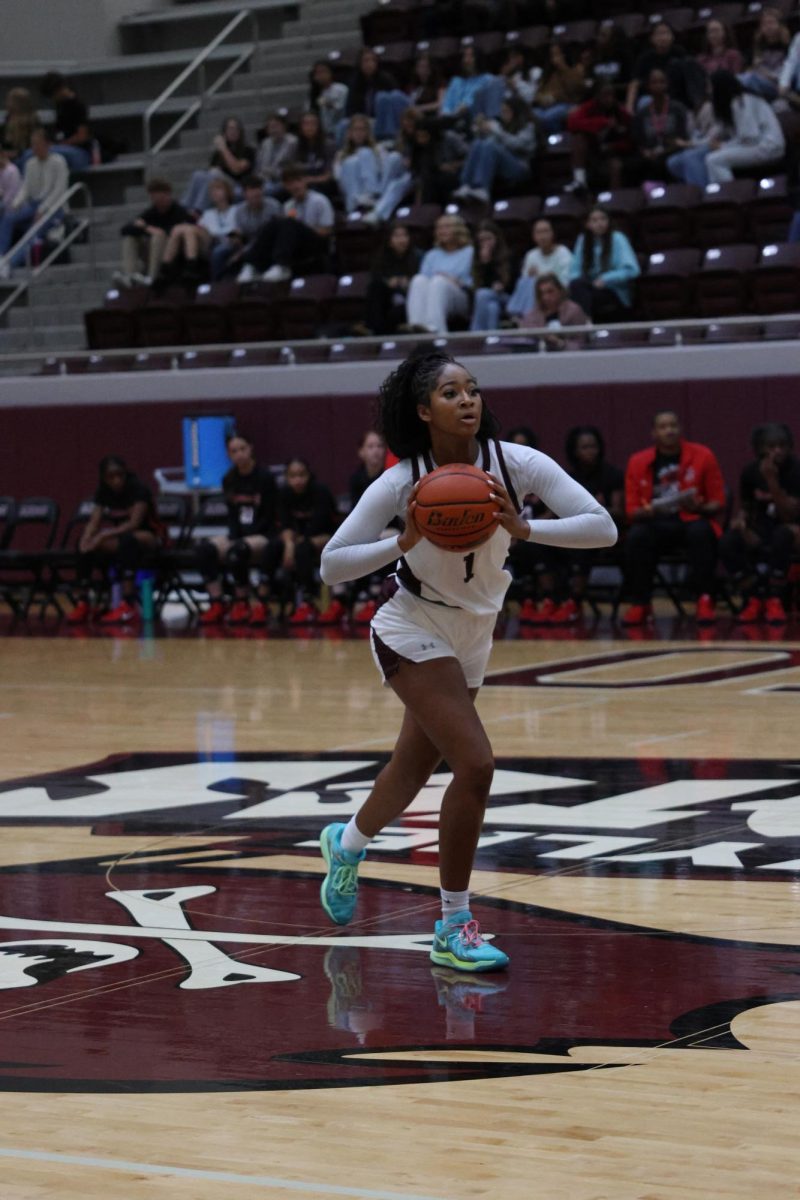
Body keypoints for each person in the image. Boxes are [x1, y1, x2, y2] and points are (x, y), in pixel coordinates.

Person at [315, 348, 617, 971]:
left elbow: (602, 526)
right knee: (475, 765)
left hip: (476, 631)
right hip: (411, 623)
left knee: (411, 767)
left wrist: (529, 530)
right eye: (451, 393)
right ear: (424, 411)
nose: (469, 400)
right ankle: (453, 925)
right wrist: (402, 540)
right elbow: (331, 564)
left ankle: (345, 846)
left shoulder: (517, 464)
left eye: (473, 389)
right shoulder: (403, 481)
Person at [621, 410, 726, 627]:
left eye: (673, 425)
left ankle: (705, 599)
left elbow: (718, 502)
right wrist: (649, 510)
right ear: (654, 433)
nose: (669, 430)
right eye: (663, 426)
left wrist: (699, 506)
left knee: (702, 532)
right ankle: (641, 603)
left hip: (690, 519)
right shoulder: (638, 461)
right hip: (656, 522)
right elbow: (631, 510)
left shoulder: (703, 455)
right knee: (636, 537)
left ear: (680, 429)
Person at [66, 455, 164, 626]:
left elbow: (135, 523)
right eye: (111, 476)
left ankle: (127, 603)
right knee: (84, 546)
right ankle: (83, 602)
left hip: (150, 537)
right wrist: (86, 538)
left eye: (120, 475)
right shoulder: (103, 491)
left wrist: (104, 535)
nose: (117, 480)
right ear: (104, 478)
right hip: (120, 537)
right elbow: (94, 521)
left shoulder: (137, 488)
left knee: (128, 541)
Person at [720, 423, 800, 624]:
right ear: (759, 448)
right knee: (728, 541)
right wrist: (741, 521)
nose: (777, 451)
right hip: (762, 528)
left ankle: (775, 599)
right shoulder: (749, 471)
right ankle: (754, 597)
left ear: (790, 447)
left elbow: (790, 515)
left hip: (793, 528)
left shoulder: (796, 470)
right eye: (771, 446)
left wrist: (772, 481)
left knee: (782, 536)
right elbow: (746, 506)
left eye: (782, 445)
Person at [197, 432, 278, 627]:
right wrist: (234, 536)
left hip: (263, 534)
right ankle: (217, 602)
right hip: (240, 532)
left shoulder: (265, 477)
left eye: (242, 449)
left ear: (250, 449)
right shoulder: (229, 479)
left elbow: (270, 515)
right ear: (229, 454)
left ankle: (247, 601)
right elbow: (233, 514)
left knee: (238, 550)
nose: (239, 454)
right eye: (234, 451)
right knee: (204, 550)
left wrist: (246, 537)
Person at [667, 69, 785, 187]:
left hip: (768, 146)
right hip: (753, 145)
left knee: (714, 160)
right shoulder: (726, 106)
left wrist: (723, 146)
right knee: (676, 163)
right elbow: (714, 137)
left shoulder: (742, 101)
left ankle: (728, 195)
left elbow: (750, 138)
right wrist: (690, 144)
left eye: (710, 86)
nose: (708, 91)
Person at [264, 458, 339, 624]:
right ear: (286, 477)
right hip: (297, 539)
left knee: (303, 549)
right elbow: (284, 526)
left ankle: (309, 599)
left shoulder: (320, 492)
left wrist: (294, 543)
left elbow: (322, 525)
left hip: (326, 536)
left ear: (309, 475)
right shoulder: (284, 494)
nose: (297, 480)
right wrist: (289, 544)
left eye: (301, 475)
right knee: (274, 547)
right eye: (292, 476)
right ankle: (265, 597)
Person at [236, 165, 334, 283]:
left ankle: (282, 264)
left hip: (317, 243)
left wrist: (299, 228)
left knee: (288, 222)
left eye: (298, 181)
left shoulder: (319, 200)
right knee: (274, 223)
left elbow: (327, 231)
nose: (295, 186)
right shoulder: (288, 205)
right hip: (296, 247)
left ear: (304, 181)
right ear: (286, 186)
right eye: (290, 183)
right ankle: (253, 265)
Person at [0, 126, 68, 277]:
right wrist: (16, 203)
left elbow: (59, 190)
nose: (35, 148)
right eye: (33, 144)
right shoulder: (30, 163)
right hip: (33, 204)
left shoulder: (59, 162)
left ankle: (9, 264)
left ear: (47, 144)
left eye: (38, 144)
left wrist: (44, 209)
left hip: (54, 207)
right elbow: (26, 189)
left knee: (33, 231)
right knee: (9, 216)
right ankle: (1, 255)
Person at [452, 95, 535, 204]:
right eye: (502, 111)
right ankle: (465, 185)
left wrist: (496, 131)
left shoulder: (528, 126)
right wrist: (480, 131)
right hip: (499, 165)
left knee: (490, 144)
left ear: (516, 112)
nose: (503, 114)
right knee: (478, 143)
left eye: (507, 111)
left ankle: (481, 187)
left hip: (519, 167)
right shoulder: (501, 126)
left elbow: (518, 144)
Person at [157, 175, 236, 286]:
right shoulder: (208, 213)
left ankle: (172, 268)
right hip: (207, 243)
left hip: (224, 240)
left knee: (186, 229)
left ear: (227, 191)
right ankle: (175, 268)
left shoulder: (236, 210)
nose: (214, 192)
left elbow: (236, 231)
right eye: (212, 190)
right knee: (180, 229)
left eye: (218, 189)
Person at [332, 114, 412, 225]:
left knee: (398, 166)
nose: (359, 133)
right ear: (349, 132)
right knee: (359, 156)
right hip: (354, 193)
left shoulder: (378, 150)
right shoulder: (341, 155)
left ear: (368, 132)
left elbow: (386, 173)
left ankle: (375, 199)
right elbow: (339, 178)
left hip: (378, 189)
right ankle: (367, 197)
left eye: (362, 129)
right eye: (356, 129)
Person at [115, 177, 192, 288]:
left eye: (160, 198)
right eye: (154, 199)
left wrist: (147, 228)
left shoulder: (179, 211)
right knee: (130, 238)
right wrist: (144, 227)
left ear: (167, 195)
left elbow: (170, 231)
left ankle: (152, 276)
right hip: (151, 251)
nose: (158, 202)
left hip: (171, 254)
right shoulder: (152, 212)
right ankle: (129, 275)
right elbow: (126, 230)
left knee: (158, 236)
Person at [568, 207, 640, 324]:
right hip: (589, 287)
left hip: (613, 291)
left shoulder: (618, 238)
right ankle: (586, 321)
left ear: (609, 221)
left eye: (603, 219)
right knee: (576, 285)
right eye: (594, 220)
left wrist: (606, 279)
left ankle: (585, 322)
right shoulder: (583, 240)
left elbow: (632, 270)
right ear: (588, 224)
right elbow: (574, 272)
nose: (599, 223)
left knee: (584, 294)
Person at [405, 213, 474, 333]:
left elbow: (474, 283)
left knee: (439, 281)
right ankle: (417, 326)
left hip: (461, 297)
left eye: (447, 227)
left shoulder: (470, 252)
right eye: (439, 228)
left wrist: (454, 281)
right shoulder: (432, 254)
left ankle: (437, 330)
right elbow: (424, 284)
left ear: (458, 229)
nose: (442, 231)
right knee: (418, 279)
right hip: (436, 294)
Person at [565, 81, 634, 193]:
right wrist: (603, 122)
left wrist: (613, 146)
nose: (609, 98)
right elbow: (572, 123)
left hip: (613, 153)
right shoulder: (589, 107)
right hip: (592, 151)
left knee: (615, 166)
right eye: (605, 95)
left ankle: (613, 200)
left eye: (611, 94)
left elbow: (630, 141)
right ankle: (580, 182)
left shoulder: (620, 112)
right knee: (578, 138)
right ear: (596, 96)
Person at [209, 175, 280, 281]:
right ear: (244, 194)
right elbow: (239, 232)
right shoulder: (240, 210)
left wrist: (241, 252)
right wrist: (233, 238)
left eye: (258, 189)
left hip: (267, 243)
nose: (256, 193)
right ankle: (217, 285)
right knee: (219, 252)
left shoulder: (273, 206)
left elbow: (275, 233)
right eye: (251, 190)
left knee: (246, 252)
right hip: (247, 243)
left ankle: (251, 269)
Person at [181, 118, 255, 216]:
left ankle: (199, 210)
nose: (233, 131)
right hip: (218, 183)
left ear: (240, 132)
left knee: (214, 174)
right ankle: (184, 208)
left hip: (238, 185)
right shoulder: (218, 153)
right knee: (198, 175)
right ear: (224, 132)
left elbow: (237, 169)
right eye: (230, 129)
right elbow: (209, 171)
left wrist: (224, 148)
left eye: (236, 129)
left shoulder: (248, 150)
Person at [630, 68, 691, 183]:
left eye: (661, 82)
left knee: (663, 162)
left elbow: (683, 138)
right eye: (654, 82)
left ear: (667, 84)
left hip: (671, 151)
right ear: (648, 86)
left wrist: (663, 152)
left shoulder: (678, 109)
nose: (658, 85)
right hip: (650, 154)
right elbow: (638, 141)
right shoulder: (642, 113)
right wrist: (645, 152)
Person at [506, 216, 573, 320]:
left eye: (546, 231)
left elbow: (565, 282)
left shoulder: (563, 252)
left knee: (535, 283)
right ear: (533, 236)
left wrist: (541, 277)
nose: (542, 236)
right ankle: (523, 316)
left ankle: (525, 318)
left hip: (557, 293)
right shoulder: (531, 255)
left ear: (552, 234)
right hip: (534, 295)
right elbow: (524, 284)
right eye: (538, 232)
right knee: (527, 282)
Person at [362, 222, 422, 335]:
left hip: (410, 298)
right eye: (397, 236)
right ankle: (374, 331)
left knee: (396, 312)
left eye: (404, 235)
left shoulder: (418, 256)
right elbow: (377, 278)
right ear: (389, 240)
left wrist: (408, 282)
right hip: (389, 298)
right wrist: (388, 282)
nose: (402, 239)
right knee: (376, 288)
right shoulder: (381, 258)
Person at [626, 21, 688, 114]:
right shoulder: (645, 58)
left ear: (672, 37)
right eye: (659, 34)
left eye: (666, 33)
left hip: (675, 96)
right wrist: (629, 107)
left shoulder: (680, 53)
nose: (663, 37)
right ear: (652, 38)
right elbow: (634, 83)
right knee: (643, 103)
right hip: (650, 97)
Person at [39, 71, 94, 172]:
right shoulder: (59, 106)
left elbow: (82, 136)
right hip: (61, 146)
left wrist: (60, 144)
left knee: (43, 153)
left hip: (79, 151)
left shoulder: (78, 105)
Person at [519, 273, 589, 349]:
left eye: (550, 291)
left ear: (560, 290)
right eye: (541, 293)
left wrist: (560, 343)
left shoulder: (574, 311)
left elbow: (581, 343)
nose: (545, 297)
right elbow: (524, 337)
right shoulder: (532, 315)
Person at [439, 44, 505, 124]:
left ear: (479, 59)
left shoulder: (489, 80)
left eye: (471, 57)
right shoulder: (456, 80)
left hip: (476, 121)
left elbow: (485, 104)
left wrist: (465, 107)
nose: (466, 60)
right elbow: (447, 103)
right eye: (465, 56)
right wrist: (448, 114)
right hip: (452, 120)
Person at [531, 41, 585, 135]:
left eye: (557, 54)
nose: (555, 58)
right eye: (552, 55)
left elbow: (575, 91)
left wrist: (563, 67)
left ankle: (556, 140)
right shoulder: (549, 73)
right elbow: (538, 92)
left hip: (566, 104)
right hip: (546, 106)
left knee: (547, 117)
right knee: (531, 115)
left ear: (564, 55)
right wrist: (542, 98)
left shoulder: (575, 69)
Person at [739, 7, 790, 102]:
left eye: (771, 23)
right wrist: (754, 66)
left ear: (780, 25)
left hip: (778, 86)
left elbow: (788, 73)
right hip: (758, 84)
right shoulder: (757, 47)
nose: (768, 27)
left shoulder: (788, 46)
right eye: (764, 24)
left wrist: (765, 74)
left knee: (749, 79)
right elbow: (749, 69)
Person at [469, 219, 512, 331]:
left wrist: (502, 286)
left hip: (506, 297)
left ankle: (475, 336)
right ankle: (491, 340)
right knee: (492, 308)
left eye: (488, 239)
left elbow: (513, 284)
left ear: (496, 238)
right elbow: (478, 285)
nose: (485, 243)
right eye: (482, 240)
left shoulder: (509, 256)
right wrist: (485, 263)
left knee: (482, 294)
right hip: (486, 298)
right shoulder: (477, 259)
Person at [293, 110, 335, 197]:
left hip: (322, 184)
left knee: (312, 189)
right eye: (306, 124)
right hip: (302, 184)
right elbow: (293, 172)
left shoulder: (328, 145)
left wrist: (310, 180)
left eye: (313, 123)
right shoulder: (296, 146)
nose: (310, 127)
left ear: (319, 126)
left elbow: (328, 175)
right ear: (301, 127)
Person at [255, 112, 299, 195]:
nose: (273, 130)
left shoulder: (292, 142)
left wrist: (270, 172)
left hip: (283, 180)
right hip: (265, 180)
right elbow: (259, 167)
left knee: (267, 190)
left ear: (284, 126)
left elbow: (291, 167)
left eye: (276, 126)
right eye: (270, 127)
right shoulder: (265, 143)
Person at [308, 60, 349, 141]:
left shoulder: (341, 89)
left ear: (330, 73)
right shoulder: (315, 93)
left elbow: (343, 109)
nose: (321, 76)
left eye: (323, 71)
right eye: (318, 73)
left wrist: (329, 105)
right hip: (324, 132)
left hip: (342, 128)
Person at [2, 88, 39, 162]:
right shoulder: (8, 118)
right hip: (6, 155)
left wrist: (12, 154)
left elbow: (32, 145)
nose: (7, 104)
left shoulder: (32, 121)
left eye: (10, 101)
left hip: (24, 156)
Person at [0, 145, 22, 215]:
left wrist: (2, 204)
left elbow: (12, 194)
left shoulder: (13, 170)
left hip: (11, 207)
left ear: (2, 155)